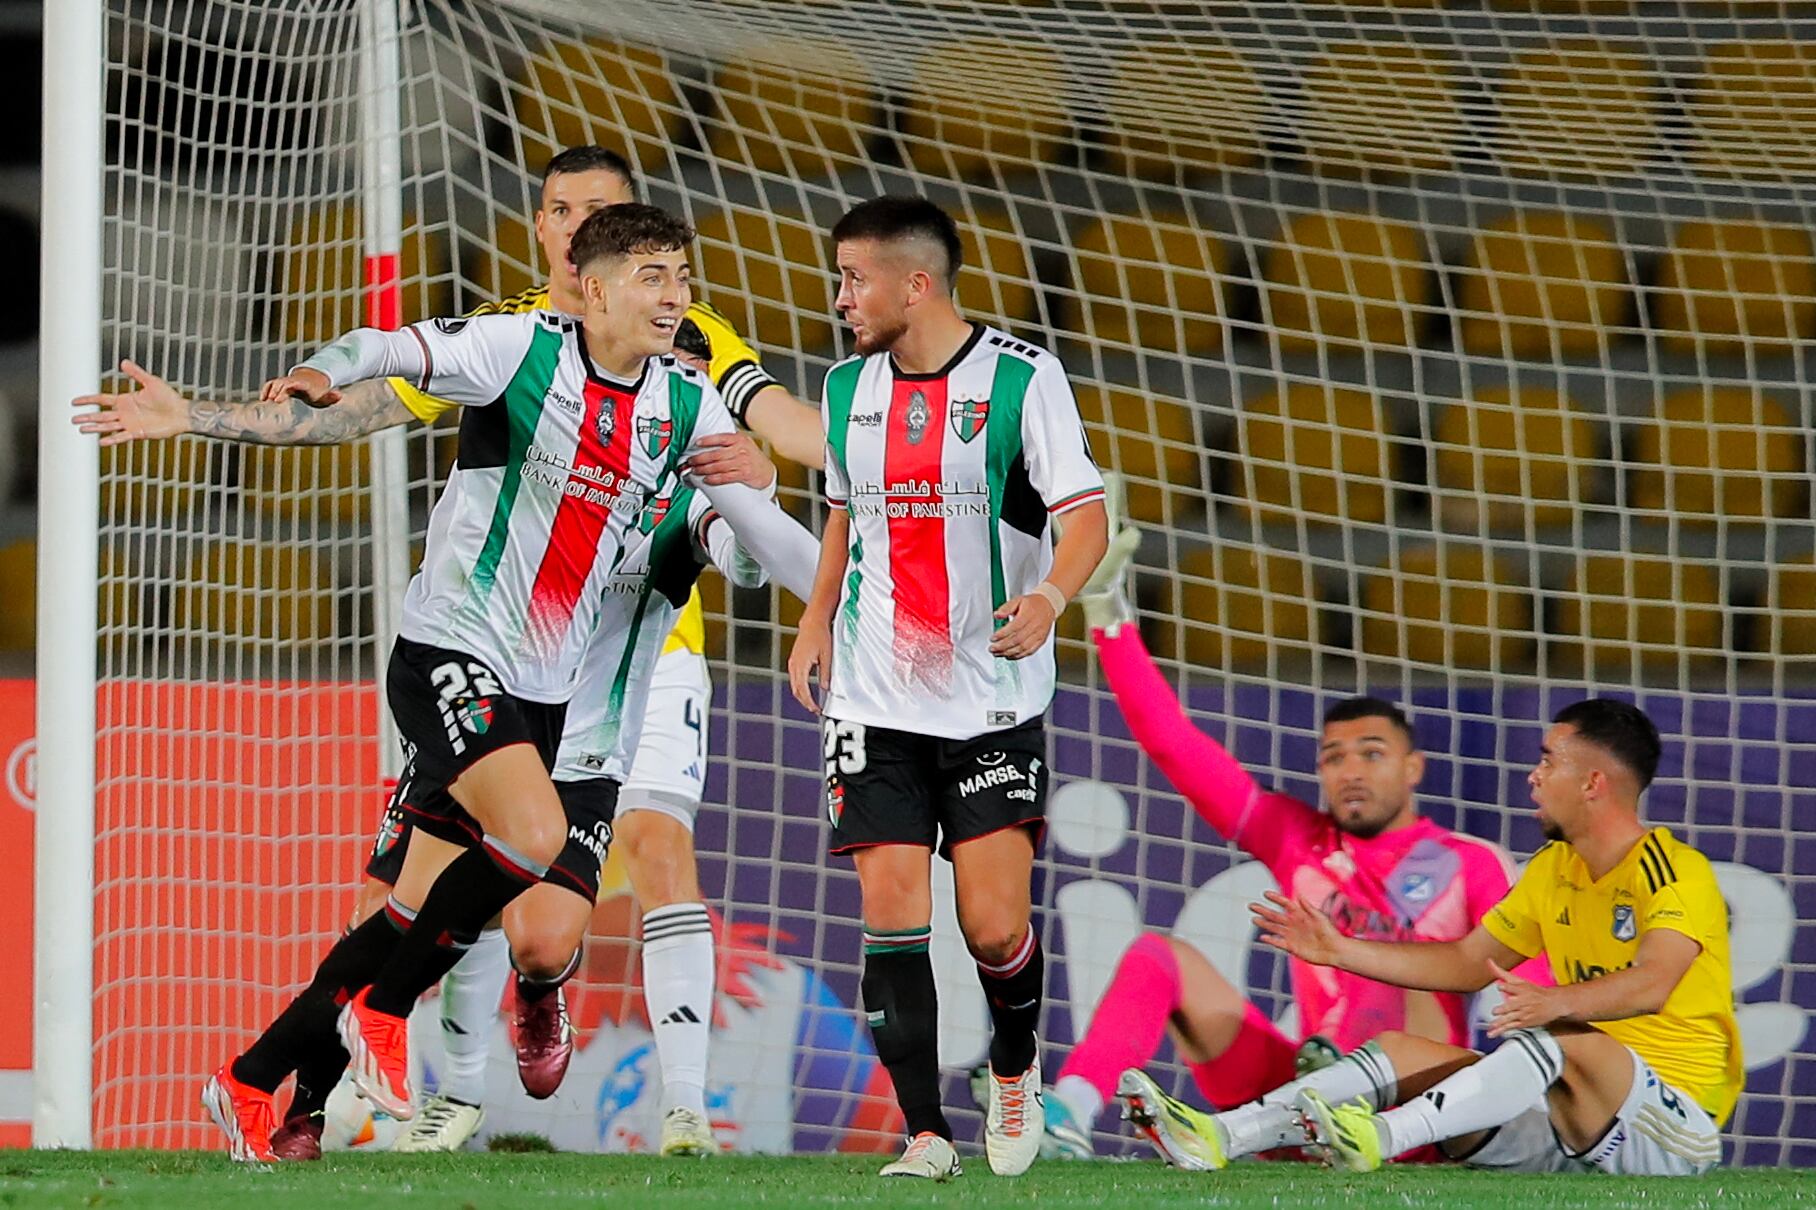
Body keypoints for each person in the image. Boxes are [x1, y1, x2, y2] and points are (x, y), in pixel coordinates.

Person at [77, 147, 819, 1159]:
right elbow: (372, 367)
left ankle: (252, 1081)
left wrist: (822, 515)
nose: (574, 230)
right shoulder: (513, 344)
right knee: (432, 884)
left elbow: (772, 496)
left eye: (605, 220)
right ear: (567, 252)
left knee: (520, 904)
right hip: (467, 653)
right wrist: (216, 411)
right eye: (559, 211)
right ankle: (373, 1060)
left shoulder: (692, 379)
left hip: (608, 684)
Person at [1039, 478, 1520, 1166]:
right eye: (1334, 757)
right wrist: (1106, 612)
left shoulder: (1472, 863)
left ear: (1414, 769)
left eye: (1371, 754)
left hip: (1409, 1122)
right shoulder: (1295, 837)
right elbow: (1174, 742)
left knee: (1424, 979)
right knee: (1157, 956)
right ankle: (1070, 1116)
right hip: (1293, 1094)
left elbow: (1530, 992)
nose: (1350, 770)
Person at [787, 195, 1109, 1180]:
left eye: (855, 278)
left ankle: (1013, 1067)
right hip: (875, 698)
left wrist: (1052, 595)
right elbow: (844, 514)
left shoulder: (1020, 379)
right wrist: (812, 619)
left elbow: (1084, 512)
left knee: (995, 926)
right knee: (890, 910)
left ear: (913, 284)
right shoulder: (846, 388)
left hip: (991, 704)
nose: (841, 297)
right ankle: (926, 1131)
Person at [1191, 700, 1738, 1177]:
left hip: (1672, 1131)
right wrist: (1339, 950)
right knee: (1401, 1052)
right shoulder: (1554, 869)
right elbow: (1466, 961)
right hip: (1572, 1126)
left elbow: (1654, 983)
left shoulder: (1673, 871)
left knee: (1562, 1035)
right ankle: (1225, 1134)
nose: (1534, 776)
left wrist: (1556, 1002)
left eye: (1548, 760)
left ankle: (1381, 1138)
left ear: (1593, 783)